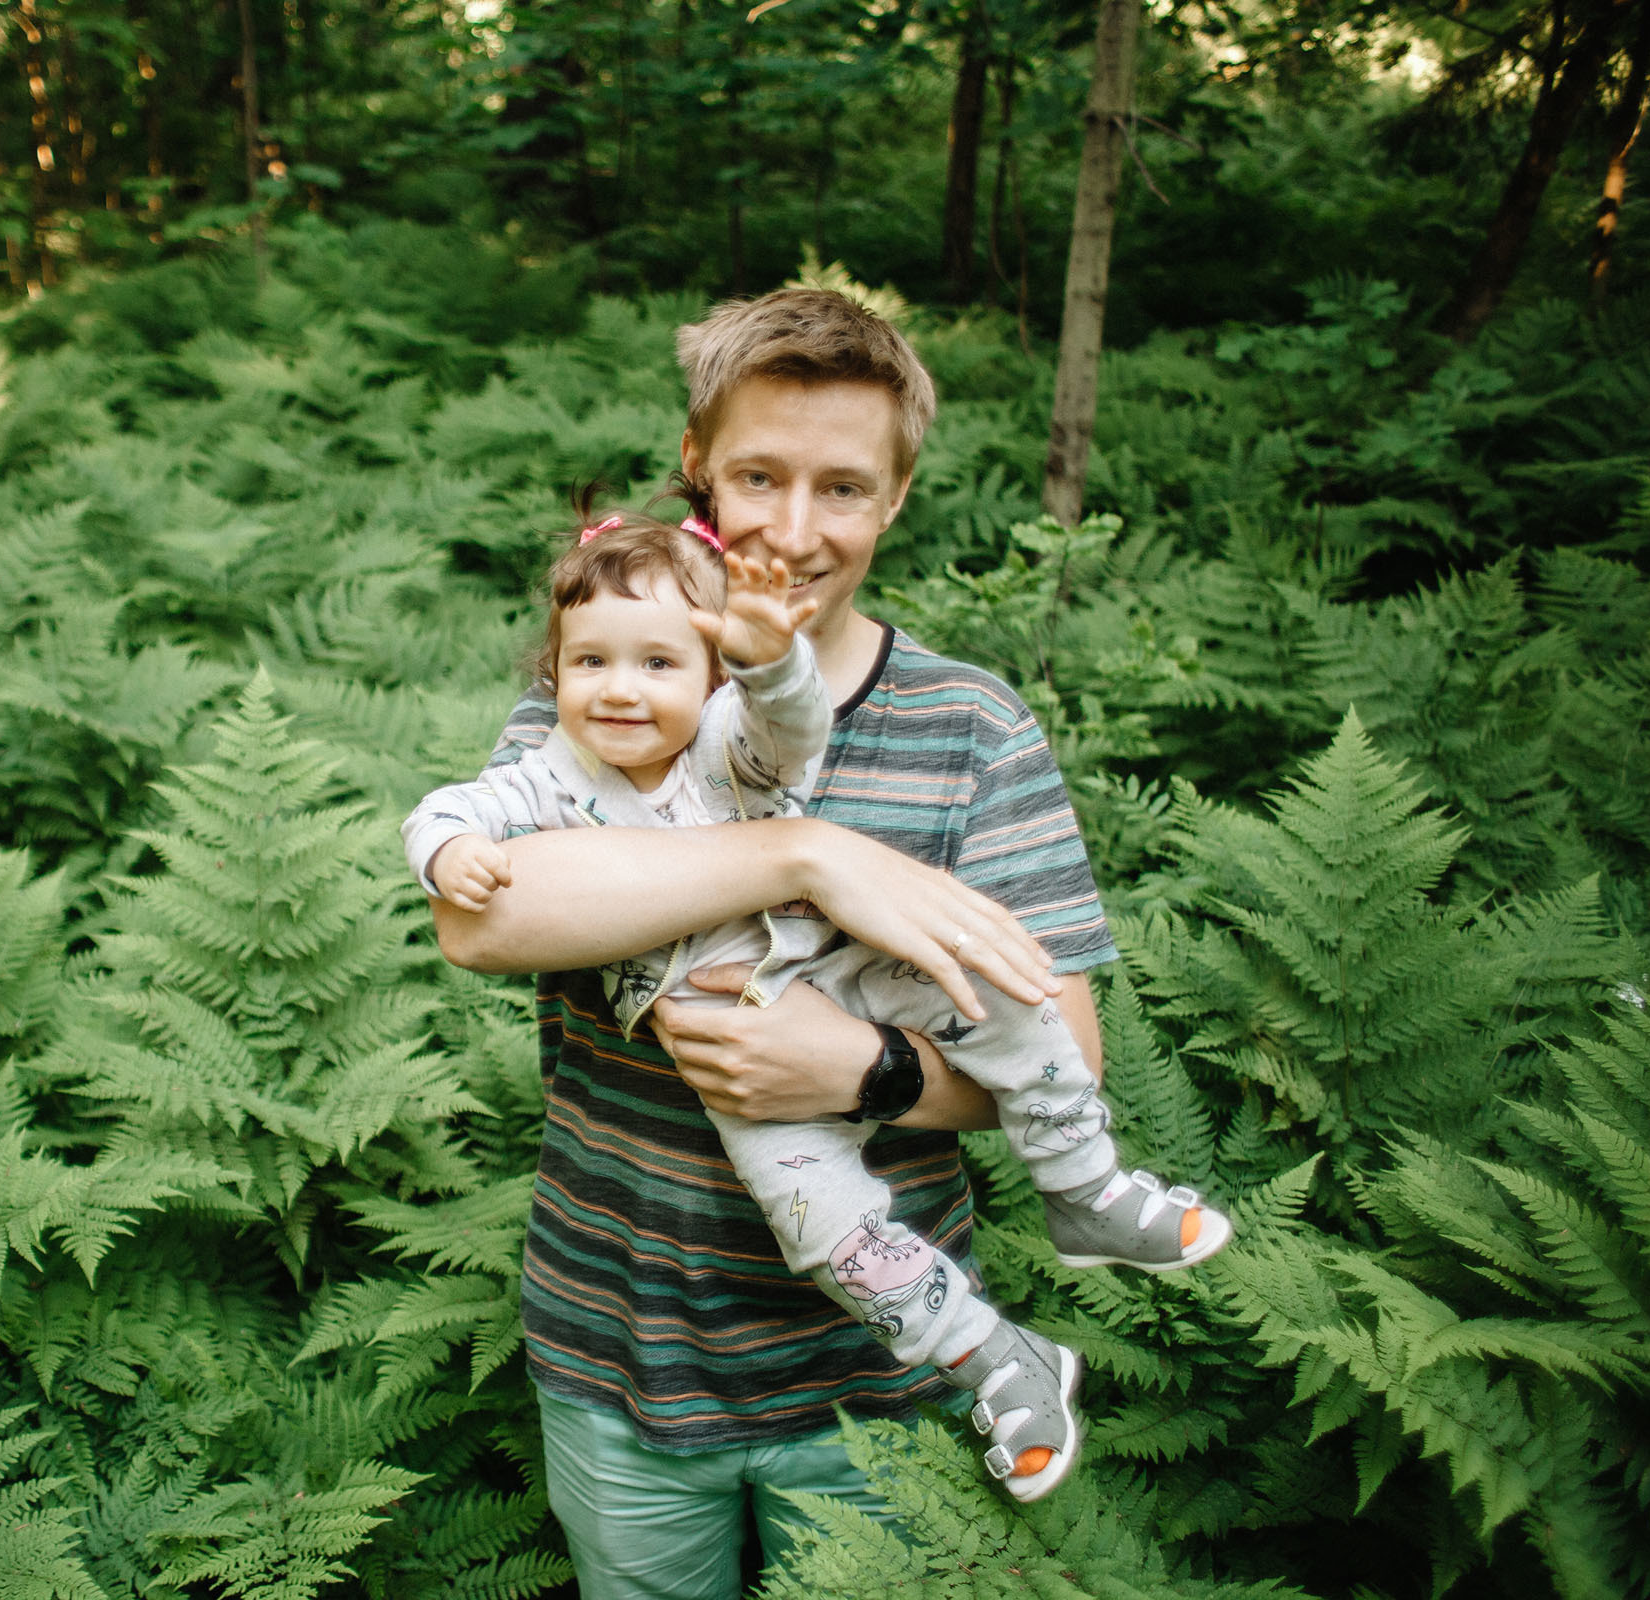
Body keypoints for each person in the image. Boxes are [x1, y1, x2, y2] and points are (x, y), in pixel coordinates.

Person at [423, 288, 1155, 1598]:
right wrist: (803, 855)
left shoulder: (972, 729)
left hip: (877, 1382)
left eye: (844, 488)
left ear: (897, 496)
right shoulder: (613, 681)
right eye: (759, 475)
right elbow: (484, 917)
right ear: (698, 461)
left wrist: (866, 1070)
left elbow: (1068, 1054)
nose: (794, 530)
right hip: (617, 1351)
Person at [402, 510, 1228, 1507]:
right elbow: (452, 816)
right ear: (556, 670)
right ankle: (999, 1359)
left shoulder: (725, 743)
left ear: (709, 675)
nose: (619, 688)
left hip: (842, 970)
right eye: (590, 663)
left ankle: (1084, 1185)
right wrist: (451, 849)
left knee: (1005, 1000)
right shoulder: (545, 776)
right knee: (833, 1235)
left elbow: (790, 730)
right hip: (729, 1068)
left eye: (658, 663)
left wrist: (769, 660)